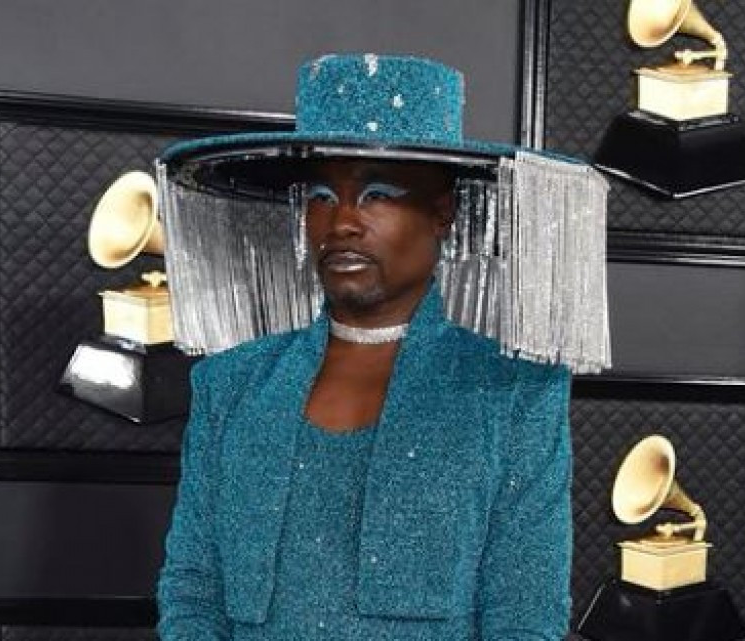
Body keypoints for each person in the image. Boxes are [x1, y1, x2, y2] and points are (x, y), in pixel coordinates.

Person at [153, 54, 610, 640]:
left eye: (377, 193)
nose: (342, 221)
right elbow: (193, 587)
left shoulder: (514, 393)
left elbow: (525, 616)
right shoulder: (232, 384)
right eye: (321, 196)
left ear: (442, 210)